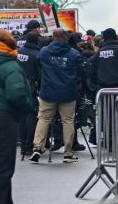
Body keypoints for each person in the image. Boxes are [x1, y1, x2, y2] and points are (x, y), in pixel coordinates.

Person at [0, 29, 33, 204]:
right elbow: (16, 94)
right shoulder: (10, 65)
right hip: (5, 116)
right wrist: (27, 107)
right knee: (3, 166)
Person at [29, 28, 83, 164]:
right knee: (68, 121)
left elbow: (38, 66)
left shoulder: (44, 52)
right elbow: (81, 72)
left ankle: (37, 147)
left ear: (53, 37)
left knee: (43, 119)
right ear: (66, 37)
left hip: (48, 91)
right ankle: (68, 152)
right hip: (68, 92)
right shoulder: (73, 53)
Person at [17, 31, 42, 156]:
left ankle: (22, 144)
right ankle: (28, 145)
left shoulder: (17, 52)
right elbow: (40, 74)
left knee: (21, 116)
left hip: (16, 85)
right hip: (30, 87)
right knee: (31, 116)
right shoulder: (37, 54)